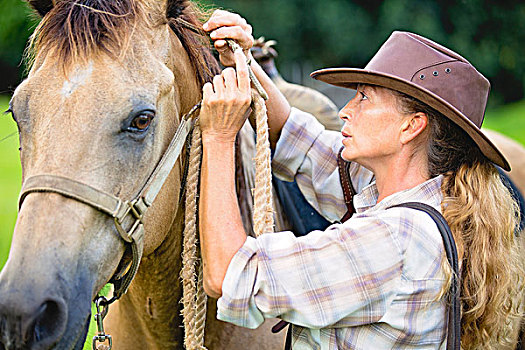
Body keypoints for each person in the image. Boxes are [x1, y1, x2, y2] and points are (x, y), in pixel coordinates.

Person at [197, 10, 523, 349]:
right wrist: (244, 61)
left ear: (411, 126)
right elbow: (298, 141)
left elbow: (229, 275)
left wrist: (219, 136)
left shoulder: (395, 240)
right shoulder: (426, 196)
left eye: (364, 97)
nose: (345, 110)